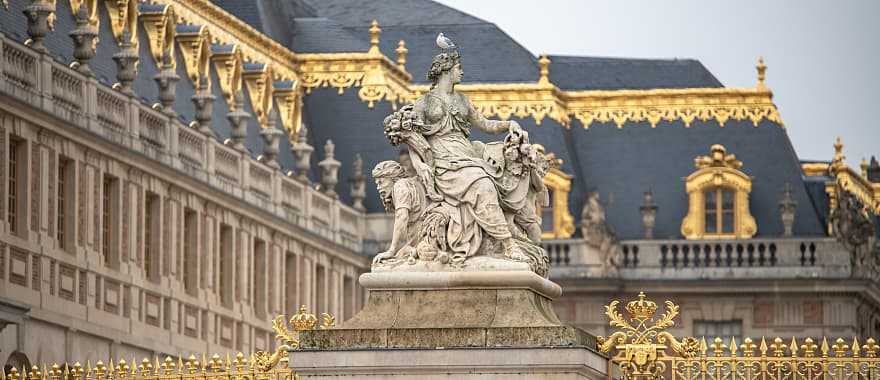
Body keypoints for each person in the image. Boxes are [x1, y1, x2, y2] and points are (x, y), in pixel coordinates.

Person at [405, 49, 528, 262]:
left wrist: (509, 124)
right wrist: (419, 165)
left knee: (492, 175)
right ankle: (508, 244)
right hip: (442, 159)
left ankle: (505, 237)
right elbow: (411, 137)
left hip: (465, 153)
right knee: (483, 185)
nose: (461, 72)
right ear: (446, 70)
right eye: (458, 68)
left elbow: (485, 124)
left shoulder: (463, 100)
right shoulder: (423, 103)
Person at [372, 160, 426, 265]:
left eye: (381, 182)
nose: (378, 187)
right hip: (419, 239)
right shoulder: (411, 183)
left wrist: (391, 250)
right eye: (377, 184)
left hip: (421, 239)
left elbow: (402, 216)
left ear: (392, 178)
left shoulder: (399, 186)